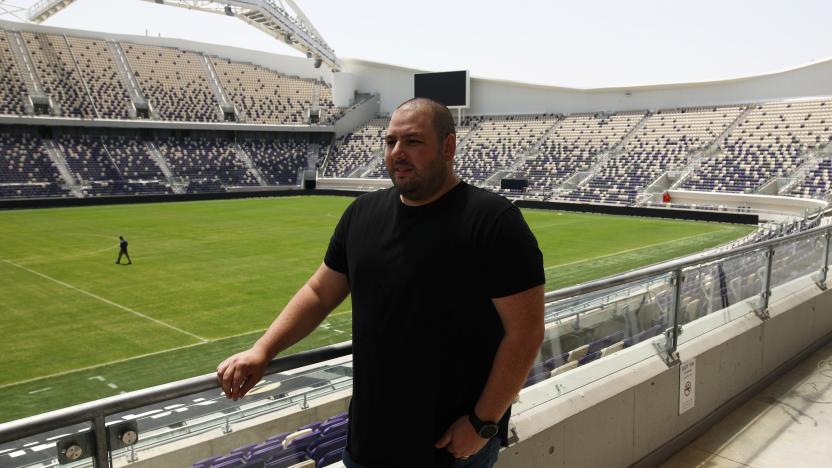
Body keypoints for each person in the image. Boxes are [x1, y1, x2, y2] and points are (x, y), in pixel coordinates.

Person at [217, 98, 545, 468]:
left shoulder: (493, 221)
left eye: (413, 141)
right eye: (391, 142)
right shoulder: (361, 214)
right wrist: (263, 350)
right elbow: (319, 292)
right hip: (368, 441)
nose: (398, 153)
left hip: (449, 447)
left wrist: (482, 424)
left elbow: (526, 332)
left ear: (448, 147)